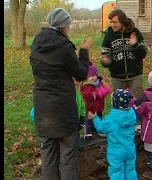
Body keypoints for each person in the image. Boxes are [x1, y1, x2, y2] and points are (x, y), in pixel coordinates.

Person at [29, 7, 92, 180]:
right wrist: (84, 51)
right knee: (67, 156)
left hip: (43, 108)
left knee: (48, 155)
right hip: (62, 110)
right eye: (69, 25)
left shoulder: (36, 43)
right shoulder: (64, 47)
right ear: (64, 26)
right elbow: (81, 73)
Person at [87, 89, 138, 180]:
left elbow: (101, 128)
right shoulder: (132, 114)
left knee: (116, 171)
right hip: (130, 149)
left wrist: (95, 118)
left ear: (115, 102)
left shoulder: (112, 118)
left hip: (116, 151)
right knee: (130, 170)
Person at [100, 9, 148, 99]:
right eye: (111, 22)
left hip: (135, 76)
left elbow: (144, 53)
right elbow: (105, 54)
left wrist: (135, 45)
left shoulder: (135, 32)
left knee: (137, 104)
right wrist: (105, 61)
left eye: (115, 22)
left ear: (122, 21)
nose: (112, 25)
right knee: (119, 105)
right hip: (117, 77)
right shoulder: (109, 36)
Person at [80, 63, 111, 138]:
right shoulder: (86, 86)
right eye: (90, 76)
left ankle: (98, 135)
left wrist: (101, 92)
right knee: (90, 124)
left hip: (99, 108)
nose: (92, 78)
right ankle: (89, 135)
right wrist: (99, 94)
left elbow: (106, 89)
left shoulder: (99, 84)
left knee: (98, 122)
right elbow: (88, 96)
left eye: (94, 75)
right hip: (90, 109)